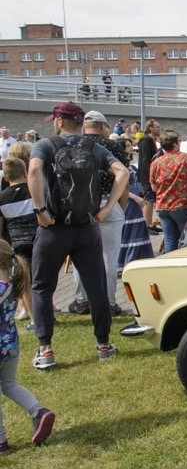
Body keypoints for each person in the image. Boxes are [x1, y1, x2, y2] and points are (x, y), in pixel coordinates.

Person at [28, 101, 130, 369]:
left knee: (42, 287)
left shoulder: (46, 145)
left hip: (54, 227)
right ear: (81, 122)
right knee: (96, 287)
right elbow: (123, 172)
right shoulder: (93, 147)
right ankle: (103, 345)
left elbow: (35, 170)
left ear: (60, 121)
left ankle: (46, 350)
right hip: (87, 227)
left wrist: (40, 210)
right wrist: (107, 209)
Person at [68, 111, 130, 317]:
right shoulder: (112, 146)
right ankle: (110, 302)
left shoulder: (74, 145)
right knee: (110, 256)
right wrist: (119, 206)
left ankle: (81, 300)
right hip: (108, 201)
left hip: (82, 204)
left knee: (79, 255)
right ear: (103, 127)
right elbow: (124, 179)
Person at [0, 239, 55, 455]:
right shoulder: (12, 284)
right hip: (10, 345)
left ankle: (1, 442)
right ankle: (39, 412)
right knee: (9, 384)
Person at [0, 156, 37, 325]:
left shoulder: (2, 198)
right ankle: (46, 310)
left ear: (6, 178)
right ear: (24, 172)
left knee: (26, 282)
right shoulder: (34, 190)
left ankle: (34, 318)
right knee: (43, 279)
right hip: (40, 239)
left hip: (18, 245)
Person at [116, 137, 154, 273]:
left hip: (134, 198)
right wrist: (135, 198)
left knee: (137, 229)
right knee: (129, 229)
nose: (131, 148)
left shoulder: (129, 164)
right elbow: (119, 188)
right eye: (127, 146)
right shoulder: (118, 165)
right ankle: (127, 261)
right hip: (128, 200)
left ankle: (138, 260)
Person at [137, 119, 162, 234]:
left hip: (150, 175)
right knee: (149, 200)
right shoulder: (146, 141)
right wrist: (152, 175)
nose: (159, 129)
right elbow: (146, 160)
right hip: (147, 176)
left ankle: (150, 223)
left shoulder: (150, 141)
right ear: (150, 128)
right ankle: (146, 226)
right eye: (157, 127)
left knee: (151, 200)